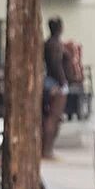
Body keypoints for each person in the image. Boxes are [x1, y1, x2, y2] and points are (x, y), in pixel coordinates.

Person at [44, 18, 67, 157]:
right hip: (55, 83)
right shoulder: (55, 45)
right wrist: (63, 82)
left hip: (49, 81)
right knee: (54, 116)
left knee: (52, 117)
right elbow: (56, 65)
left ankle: (48, 149)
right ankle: (48, 150)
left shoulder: (47, 43)